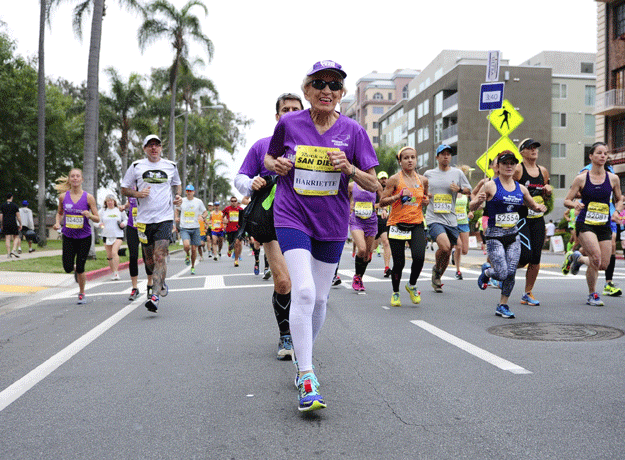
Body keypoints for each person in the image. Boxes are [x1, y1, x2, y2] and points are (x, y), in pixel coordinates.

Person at [264, 61, 378, 412]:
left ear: (342, 94)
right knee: (304, 291)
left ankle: (303, 355)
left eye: (334, 85)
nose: (327, 90)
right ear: (307, 91)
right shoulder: (289, 123)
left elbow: (375, 185)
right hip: (292, 214)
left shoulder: (354, 131)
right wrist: (277, 165)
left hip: (330, 222)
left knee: (321, 300)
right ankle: (308, 375)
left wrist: (350, 168)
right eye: (319, 84)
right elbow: (268, 158)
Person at [235, 92, 304, 360]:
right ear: (277, 117)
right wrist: (250, 183)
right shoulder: (262, 146)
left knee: (305, 286)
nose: (289, 113)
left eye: (295, 109)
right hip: (273, 222)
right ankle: (286, 335)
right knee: (284, 281)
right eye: (284, 109)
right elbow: (240, 176)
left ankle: (302, 329)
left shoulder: (314, 146)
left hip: (308, 222)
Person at [470, 151, 547, 319]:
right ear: (498, 167)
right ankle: (488, 273)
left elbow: (533, 206)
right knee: (502, 272)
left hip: (513, 236)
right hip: (494, 237)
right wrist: (477, 201)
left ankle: (502, 305)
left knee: (511, 272)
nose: (509, 166)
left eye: (512, 163)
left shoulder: (521, 188)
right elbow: (471, 207)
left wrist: (540, 208)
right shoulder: (490, 185)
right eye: (505, 163)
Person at [121, 134, 182, 313]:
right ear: (145, 149)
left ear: (161, 148)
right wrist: (138, 194)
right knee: (148, 260)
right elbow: (124, 188)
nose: (154, 148)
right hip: (144, 220)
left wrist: (178, 197)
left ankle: (154, 296)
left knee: (160, 256)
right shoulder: (136, 166)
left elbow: (177, 184)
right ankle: (159, 281)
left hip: (164, 218)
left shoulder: (170, 166)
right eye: (150, 146)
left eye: (157, 145)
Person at [562, 143, 624, 306]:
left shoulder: (613, 178)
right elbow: (567, 200)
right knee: (595, 258)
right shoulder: (582, 178)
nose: (603, 156)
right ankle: (592, 294)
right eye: (599, 153)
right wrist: (574, 204)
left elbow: (620, 199)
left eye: (605, 153)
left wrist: (617, 212)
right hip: (586, 223)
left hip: (603, 223)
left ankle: (578, 258)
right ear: (591, 156)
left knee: (603, 264)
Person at [379, 147, 428, 307]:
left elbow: (424, 196)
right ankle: (395, 292)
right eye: (406, 158)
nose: (410, 160)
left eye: (413, 157)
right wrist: (396, 197)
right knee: (399, 263)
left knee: (419, 257)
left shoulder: (423, 180)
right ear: (400, 161)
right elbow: (382, 201)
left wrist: (426, 200)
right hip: (397, 224)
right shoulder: (394, 179)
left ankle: (412, 285)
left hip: (417, 223)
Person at [424, 144, 472, 293]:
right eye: (443, 154)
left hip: (451, 219)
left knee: (448, 249)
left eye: (449, 154)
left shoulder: (457, 173)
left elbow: (469, 190)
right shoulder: (429, 174)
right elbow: (421, 192)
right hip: (434, 218)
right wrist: (426, 197)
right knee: (445, 247)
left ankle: (437, 275)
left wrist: (459, 189)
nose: (446, 156)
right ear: (437, 157)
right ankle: (436, 270)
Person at [513, 138, 553, 307]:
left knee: (536, 257)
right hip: (521, 217)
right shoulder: (518, 169)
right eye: (529, 148)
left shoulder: (542, 171)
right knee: (525, 256)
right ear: (522, 152)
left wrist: (548, 193)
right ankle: (501, 269)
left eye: (535, 147)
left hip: (537, 218)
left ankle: (527, 292)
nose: (533, 150)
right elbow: (507, 188)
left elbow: (545, 195)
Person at [52, 169, 100, 304]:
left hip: (84, 237)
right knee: (67, 267)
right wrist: (57, 223)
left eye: (77, 176)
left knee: (81, 267)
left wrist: (89, 215)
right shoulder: (63, 197)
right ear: (69, 179)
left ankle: (81, 293)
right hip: (68, 236)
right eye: (72, 176)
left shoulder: (88, 197)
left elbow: (97, 218)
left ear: (82, 180)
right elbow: (60, 213)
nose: (75, 178)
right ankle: (75, 269)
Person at [348, 179, 378, 292]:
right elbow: (344, 201)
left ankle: (360, 277)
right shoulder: (351, 186)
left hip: (371, 222)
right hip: (356, 221)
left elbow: (383, 198)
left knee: (367, 255)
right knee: (361, 249)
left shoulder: (375, 184)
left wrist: (383, 208)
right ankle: (356, 276)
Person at [175, 184, 207, 275]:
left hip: (195, 228)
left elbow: (205, 212)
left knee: (194, 249)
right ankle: (187, 255)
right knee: (186, 245)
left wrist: (202, 216)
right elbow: (176, 209)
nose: (189, 193)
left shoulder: (198, 201)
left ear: (194, 192)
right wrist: (176, 217)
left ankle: (192, 266)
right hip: (184, 227)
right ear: (186, 192)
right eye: (187, 191)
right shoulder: (182, 201)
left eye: (190, 191)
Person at [122, 193, 148, 301]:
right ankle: (134, 288)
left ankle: (150, 285)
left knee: (147, 256)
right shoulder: (130, 189)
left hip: (145, 225)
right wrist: (124, 206)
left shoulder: (147, 187)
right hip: (132, 226)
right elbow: (130, 202)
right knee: (133, 256)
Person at [451, 165, 474, 280]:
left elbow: (474, 202)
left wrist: (471, 212)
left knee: (465, 250)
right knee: (458, 246)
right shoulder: (451, 190)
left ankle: (453, 252)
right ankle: (458, 271)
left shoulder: (466, 192)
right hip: (453, 223)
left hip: (464, 222)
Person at [100, 194, 127, 281]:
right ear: (106, 202)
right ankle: (113, 272)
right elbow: (96, 221)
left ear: (114, 202)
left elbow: (126, 219)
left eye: (111, 201)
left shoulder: (119, 210)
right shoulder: (102, 211)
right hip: (106, 235)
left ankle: (116, 273)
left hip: (118, 234)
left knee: (114, 252)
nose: (110, 202)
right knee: (109, 255)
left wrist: (123, 224)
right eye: (108, 201)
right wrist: (99, 224)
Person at [374, 171, 392, 278]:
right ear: (378, 180)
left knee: (386, 242)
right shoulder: (374, 191)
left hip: (385, 221)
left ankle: (386, 268)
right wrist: (380, 207)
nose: (384, 180)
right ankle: (367, 258)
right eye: (382, 179)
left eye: (385, 178)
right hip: (374, 220)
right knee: (373, 246)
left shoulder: (390, 191)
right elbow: (371, 205)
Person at [222, 196, 243, 267]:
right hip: (229, 229)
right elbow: (222, 216)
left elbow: (243, 219)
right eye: (232, 201)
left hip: (237, 229)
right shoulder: (227, 209)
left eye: (235, 201)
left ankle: (236, 260)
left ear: (237, 202)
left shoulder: (240, 209)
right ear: (230, 202)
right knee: (231, 244)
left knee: (237, 243)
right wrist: (224, 220)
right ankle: (229, 249)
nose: (233, 202)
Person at [1, 193, 22, 258]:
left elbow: (1, 216)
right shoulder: (15, 205)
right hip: (13, 223)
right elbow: (18, 216)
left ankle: (8, 254)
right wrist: (20, 224)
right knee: (16, 236)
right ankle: (13, 250)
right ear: (12, 197)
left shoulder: (2, 205)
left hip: (5, 223)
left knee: (7, 238)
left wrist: (1, 224)